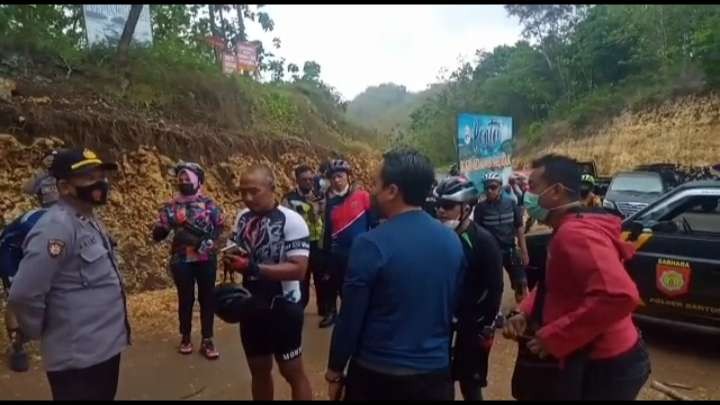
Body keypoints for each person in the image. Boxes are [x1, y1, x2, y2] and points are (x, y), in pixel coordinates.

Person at [503, 154, 650, 400]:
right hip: (594, 355)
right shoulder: (570, 227)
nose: (527, 195)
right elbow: (557, 283)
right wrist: (526, 311)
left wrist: (556, 337)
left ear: (557, 191)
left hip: (607, 364)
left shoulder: (575, 235)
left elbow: (619, 296)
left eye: (533, 187)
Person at [324, 149, 466, 401]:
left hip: (378, 374)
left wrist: (335, 370)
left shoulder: (370, 244)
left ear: (392, 191)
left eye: (376, 184)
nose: (372, 192)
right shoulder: (452, 241)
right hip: (434, 374)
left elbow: (350, 318)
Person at [8, 148, 131, 400]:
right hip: (78, 360)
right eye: (88, 177)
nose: (99, 183)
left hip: (102, 351)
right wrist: (42, 330)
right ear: (64, 187)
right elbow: (23, 293)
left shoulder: (88, 219)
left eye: (100, 175)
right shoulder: (56, 227)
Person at [223, 165, 313, 400]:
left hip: (284, 304)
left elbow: (298, 269)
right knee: (259, 370)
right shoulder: (242, 217)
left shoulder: (292, 221)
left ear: (272, 188)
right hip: (252, 303)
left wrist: (252, 267)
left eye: (254, 191)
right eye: (242, 192)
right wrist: (230, 256)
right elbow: (237, 247)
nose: (247, 198)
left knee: (292, 371)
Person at [434, 176, 503, 401]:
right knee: (439, 380)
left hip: (473, 324)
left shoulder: (484, 242)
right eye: (438, 206)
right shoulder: (438, 238)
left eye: (447, 206)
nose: (440, 211)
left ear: (466, 208)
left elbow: (495, 288)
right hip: (442, 321)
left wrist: (485, 324)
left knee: (469, 384)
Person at [152, 161, 224, 359]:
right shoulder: (171, 207)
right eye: (181, 179)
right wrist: (165, 226)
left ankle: (207, 339)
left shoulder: (210, 205)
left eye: (188, 179)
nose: (183, 182)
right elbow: (158, 234)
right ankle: (185, 336)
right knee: (186, 299)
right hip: (181, 259)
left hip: (206, 257)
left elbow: (220, 227)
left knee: (207, 298)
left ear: (198, 181)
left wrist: (211, 241)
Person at [0, 165, 59, 373]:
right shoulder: (39, 221)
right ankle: (16, 345)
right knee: (16, 297)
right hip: (10, 253)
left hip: (32, 250)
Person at [319, 159, 374, 328]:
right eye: (333, 177)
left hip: (359, 252)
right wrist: (326, 254)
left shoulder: (363, 196)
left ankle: (355, 317)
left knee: (354, 288)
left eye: (340, 176)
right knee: (332, 283)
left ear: (348, 177)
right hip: (337, 252)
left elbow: (375, 223)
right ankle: (332, 313)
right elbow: (328, 230)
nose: (336, 180)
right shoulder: (329, 202)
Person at [474, 172, 529, 303]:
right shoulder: (480, 209)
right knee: (493, 287)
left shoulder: (511, 204)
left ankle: (521, 313)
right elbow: (477, 234)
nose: (489, 190)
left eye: (493, 187)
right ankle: (495, 314)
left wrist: (524, 251)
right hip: (492, 253)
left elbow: (519, 228)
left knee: (521, 284)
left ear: (500, 187)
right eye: (486, 187)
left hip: (510, 250)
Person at [282, 165, 328, 314]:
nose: (308, 182)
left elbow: (327, 218)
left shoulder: (320, 196)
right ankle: (299, 309)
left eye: (311, 179)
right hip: (299, 245)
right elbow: (284, 221)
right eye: (304, 179)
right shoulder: (289, 199)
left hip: (318, 244)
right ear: (297, 180)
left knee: (321, 279)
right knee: (302, 279)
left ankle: (324, 310)